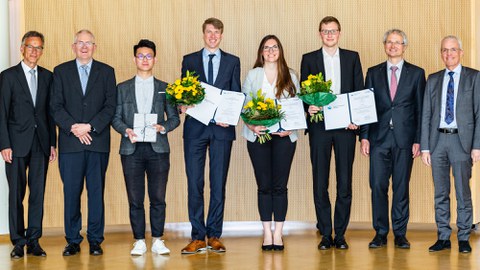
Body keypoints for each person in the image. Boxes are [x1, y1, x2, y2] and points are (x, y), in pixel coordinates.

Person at [50, 29, 116, 256]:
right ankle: (73, 240)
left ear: (95, 47)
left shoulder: (107, 72)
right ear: (73, 46)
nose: (85, 47)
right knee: (71, 193)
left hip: (97, 142)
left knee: (96, 192)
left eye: (89, 43)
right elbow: (55, 106)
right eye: (80, 43)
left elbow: (110, 106)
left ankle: (96, 240)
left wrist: (89, 126)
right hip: (70, 144)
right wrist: (74, 127)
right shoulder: (60, 71)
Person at [300, 16, 364, 250]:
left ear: (339, 33)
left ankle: (341, 234)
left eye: (333, 31)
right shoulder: (309, 59)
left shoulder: (352, 57)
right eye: (325, 31)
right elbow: (303, 93)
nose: (329, 35)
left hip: (346, 128)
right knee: (320, 182)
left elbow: (359, 91)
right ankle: (326, 233)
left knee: (344, 182)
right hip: (319, 127)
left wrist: (355, 119)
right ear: (320, 34)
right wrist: (309, 106)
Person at [112, 39, 180, 256]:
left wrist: (162, 127)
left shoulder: (165, 88)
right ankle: (139, 240)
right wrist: (126, 130)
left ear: (155, 59)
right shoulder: (121, 88)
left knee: (158, 197)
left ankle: (158, 239)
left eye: (148, 56)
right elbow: (114, 118)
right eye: (140, 56)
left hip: (158, 148)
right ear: (134, 59)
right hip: (131, 149)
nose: (144, 59)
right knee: (135, 198)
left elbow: (175, 118)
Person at [179, 17, 241, 254]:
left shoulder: (232, 61)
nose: (212, 36)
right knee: (194, 183)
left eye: (216, 32)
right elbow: (183, 92)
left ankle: (214, 234)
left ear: (221, 35)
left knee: (218, 184)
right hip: (195, 129)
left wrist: (231, 117)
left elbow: (235, 94)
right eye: (208, 32)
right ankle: (197, 236)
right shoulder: (190, 60)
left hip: (222, 130)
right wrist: (181, 105)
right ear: (203, 34)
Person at [360, 29, 425, 249]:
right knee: (377, 185)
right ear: (384, 45)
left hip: (405, 140)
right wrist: (364, 137)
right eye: (389, 42)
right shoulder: (373, 72)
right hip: (378, 139)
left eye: (398, 43)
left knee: (401, 187)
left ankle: (399, 233)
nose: (393, 46)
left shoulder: (416, 74)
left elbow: (421, 109)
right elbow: (366, 108)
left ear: (405, 46)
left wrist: (419, 140)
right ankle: (380, 232)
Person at [420, 35, 480, 253]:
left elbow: (479, 113)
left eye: (453, 50)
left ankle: (463, 236)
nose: (449, 54)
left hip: (462, 142)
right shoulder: (433, 79)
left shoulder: (474, 77)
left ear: (461, 52)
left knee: (463, 191)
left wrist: (477, 145)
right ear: (441, 53)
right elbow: (426, 114)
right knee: (440, 192)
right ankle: (443, 236)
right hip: (437, 142)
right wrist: (425, 147)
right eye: (445, 50)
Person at [0, 31, 56, 259]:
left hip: (41, 144)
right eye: (30, 47)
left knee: (38, 195)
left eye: (39, 47)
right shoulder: (8, 76)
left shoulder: (48, 76)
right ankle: (18, 241)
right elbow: (1, 112)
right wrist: (4, 144)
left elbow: (49, 113)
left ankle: (34, 241)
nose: (34, 51)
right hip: (15, 144)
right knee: (16, 194)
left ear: (42, 51)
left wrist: (52, 142)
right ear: (22, 48)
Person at [242, 35, 300, 251]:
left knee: (280, 186)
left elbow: (298, 105)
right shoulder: (253, 74)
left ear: (280, 50)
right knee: (264, 186)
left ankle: (279, 233)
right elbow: (244, 105)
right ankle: (267, 233)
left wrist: (292, 128)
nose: (271, 50)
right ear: (261, 52)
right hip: (258, 137)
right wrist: (252, 127)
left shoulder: (291, 75)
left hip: (284, 139)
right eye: (266, 47)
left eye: (274, 47)